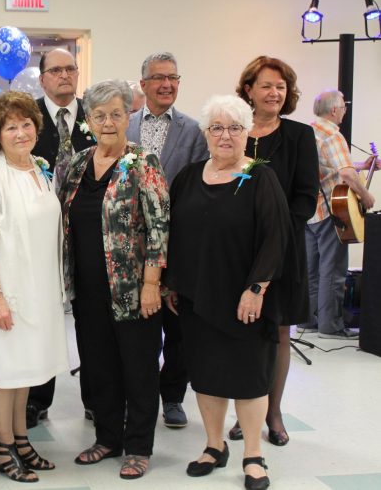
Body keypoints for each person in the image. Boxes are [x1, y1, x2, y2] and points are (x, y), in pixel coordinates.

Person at [165, 94, 289, 490]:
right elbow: (174, 235)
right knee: (205, 375)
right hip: (197, 297)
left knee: (249, 377)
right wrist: (172, 282)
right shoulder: (188, 177)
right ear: (204, 133)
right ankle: (214, 446)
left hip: (243, 300)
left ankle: (254, 454)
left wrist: (256, 288)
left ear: (247, 134)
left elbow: (275, 239)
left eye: (234, 128)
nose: (225, 136)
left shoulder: (260, 177)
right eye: (216, 127)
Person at [61, 80, 169, 480]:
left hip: (133, 289)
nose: (108, 122)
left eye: (116, 114)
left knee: (139, 368)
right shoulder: (76, 164)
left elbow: (159, 229)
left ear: (129, 117)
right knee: (99, 365)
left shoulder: (144, 163)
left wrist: (151, 285)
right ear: (88, 120)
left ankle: (138, 446)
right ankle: (108, 438)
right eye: (99, 115)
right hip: (87, 290)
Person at [0, 91, 69, 483]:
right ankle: (3, 445)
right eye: (11, 127)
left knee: (27, 370)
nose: (21, 132)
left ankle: (22, 439)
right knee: (7, 372)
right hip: (8, 291)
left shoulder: (40, 169)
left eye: (26, 124)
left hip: (40, 288)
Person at [228, 56, 319, 447]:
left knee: (279, 330)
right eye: (266, 86)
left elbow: (306, 197)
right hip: (236, 251)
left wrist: (275, 236)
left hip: (283, 251)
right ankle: (243, 412)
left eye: (281, 87)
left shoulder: (300, 136)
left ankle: (274, 413)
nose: (275, 93)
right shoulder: (233, 132)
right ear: (248, 89)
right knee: (241, 332)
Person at [126, 52, 207, 429]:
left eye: (173, 77)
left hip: (178, 243)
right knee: (138, 327)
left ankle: (172, 396)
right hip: (129, 245)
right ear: (142, 84)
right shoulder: (123, 127)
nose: (167, 84)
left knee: (178, 329)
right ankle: (135, 396)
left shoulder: (193, 131)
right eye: (158, 78)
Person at [27, 47, 94, 428]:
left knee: (89, 317)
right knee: (45, 315)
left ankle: (95, 396)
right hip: (40, 232)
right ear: (43, 78)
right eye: (56, 70)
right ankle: (37, 398)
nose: (64, 75)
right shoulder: (28, 116)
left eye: (70, 69)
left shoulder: (93, 114)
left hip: (87, 231)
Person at [302, 90, 374, 339]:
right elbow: (345, 174)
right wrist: (366, 196)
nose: (345, 110)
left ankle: (308, 320)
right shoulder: (333, 134)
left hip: (309, 211)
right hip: (331, 211)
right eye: (343, 106)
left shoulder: (307, 131)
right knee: (333, 269)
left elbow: (328, 165)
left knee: (310, 270)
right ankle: (330, 326)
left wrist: (362, 165)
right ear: (334, 110)